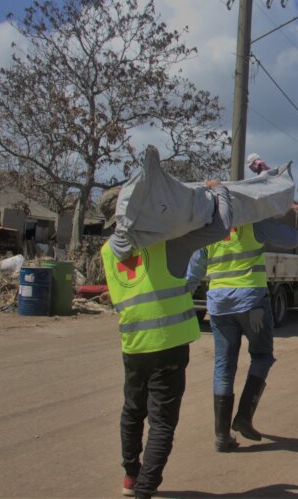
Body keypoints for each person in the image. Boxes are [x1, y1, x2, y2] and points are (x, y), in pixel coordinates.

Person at [100, 179, 234, 499]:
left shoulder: (106, 251)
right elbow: (221, 227)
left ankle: (131, 478)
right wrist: (220, 191)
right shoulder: (167, 243)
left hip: (133, 344)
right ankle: (145, 488)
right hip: (168, 345)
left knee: (133, 411)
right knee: (162, 422)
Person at [186, 215, 298, 452]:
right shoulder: (254, 222)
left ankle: (221, 436)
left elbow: (192, 273)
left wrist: (181, 302)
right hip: (252, 305)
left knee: (223, 366)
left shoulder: (208, 227)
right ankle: (244, 417)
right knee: (262, 357)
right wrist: (271, 216)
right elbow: (293, 239)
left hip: (219, 306)